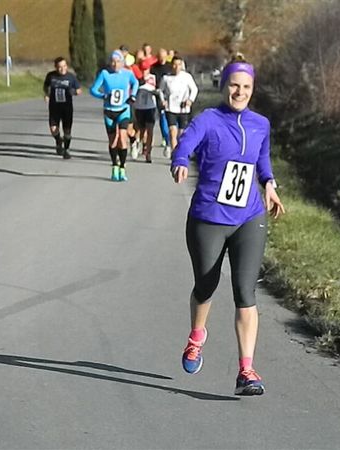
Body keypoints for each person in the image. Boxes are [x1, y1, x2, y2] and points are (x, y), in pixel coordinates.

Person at [170, 60, 284, 396]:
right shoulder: (209, 119)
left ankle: (246, 370)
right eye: (234, 85)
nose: (240, 92)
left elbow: (262, 159)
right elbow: (186, 144)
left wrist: (270, 184)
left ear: (253, 90)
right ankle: (196, 337)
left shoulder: (261, 124)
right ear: (224, 86)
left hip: (249, 216)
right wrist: (179, 161)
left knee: (245, 292)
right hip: (209, 217)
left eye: (246, 87)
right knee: (206, 285)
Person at [90, 50, 139, 181]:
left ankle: (122, 167)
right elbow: (93, 89)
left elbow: (136, 83)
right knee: (112, 141)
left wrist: (133, 95)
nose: (115, 64)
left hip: (123, 110)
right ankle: (114, 166)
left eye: (118, 61)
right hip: (109, 111)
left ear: (122, 62)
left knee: (123, 138)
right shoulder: (105, 74)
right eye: (113, 61)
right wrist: (103, 95)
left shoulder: (128, 74)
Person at [43, 57, 83, 159]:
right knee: (53, 129)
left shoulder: (71, 77)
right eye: (59, 67)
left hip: (67, 108)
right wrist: (47, 94)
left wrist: (73, 92)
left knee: (67, 132)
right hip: (54, 107)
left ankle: (67, 150)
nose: (62, 69)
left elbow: (79, 90)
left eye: (64, 66)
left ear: (67, 66)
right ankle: (58, 141)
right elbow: (46, 86)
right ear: (56, 67)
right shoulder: (51, 76)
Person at [159, 56, 198, 153]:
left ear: (182, 66)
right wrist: (163, 100)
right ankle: (174, 154)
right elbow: (160, 90)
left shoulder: (186, 77)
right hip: (171, 108)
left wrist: (190, 100)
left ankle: (181, 152)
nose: (176, 67)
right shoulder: (166, 78)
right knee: (172, 131)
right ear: (171, 65)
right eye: (174, 64)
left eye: (179, 65)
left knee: (181, 134)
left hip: (183, 108)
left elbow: (194, 89)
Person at [133, 62, 159, 163]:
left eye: (146, 69)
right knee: (139, 130)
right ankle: (136, 144)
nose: (144, 72)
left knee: (150, 130)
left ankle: (148, 152)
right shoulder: (136, 78)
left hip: (150, 107)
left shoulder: (152, 78)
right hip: (139, 107)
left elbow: (157, 89)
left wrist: (156, 93)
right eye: (142, 69)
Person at [150, 48, 173, 157]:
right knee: (163, 118)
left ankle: (172, 142)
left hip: (173, 97)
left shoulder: (170, 66)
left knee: (173, 122)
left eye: (163, 56)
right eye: (159, 56)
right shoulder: (153, 67)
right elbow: (151, 80)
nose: (161, 58)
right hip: (160, 96)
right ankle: (167, 141)